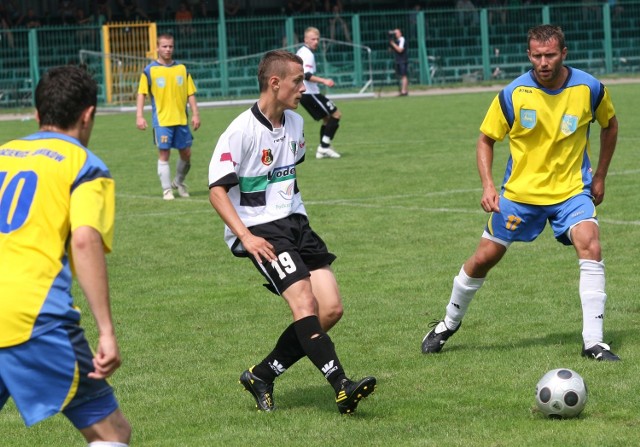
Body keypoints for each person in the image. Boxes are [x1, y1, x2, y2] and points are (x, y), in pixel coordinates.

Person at [421, 24, 620, 362]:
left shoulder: (589, 88)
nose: (544, 62)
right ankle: (447, 324)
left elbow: (610, 124)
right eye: (538, 55)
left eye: (551, 55)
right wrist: (487, 185)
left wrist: (599, 175)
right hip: (520, 195)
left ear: (564, 54)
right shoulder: (513, 94)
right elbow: (486, 139)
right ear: (529, 55)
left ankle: (594, 342)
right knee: (484, 258)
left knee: (591, 243)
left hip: (571, 192)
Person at [208, 50, 377, 414]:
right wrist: (247, 237)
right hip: (260, 230)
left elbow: (287, 177)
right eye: (298, 81)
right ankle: (342, 385)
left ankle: (262, 374)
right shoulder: (240, 131)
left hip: (296, 224)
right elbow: (217, 190)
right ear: (275, 83)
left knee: (330, 310)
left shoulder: (297, 125)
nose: (304, 88)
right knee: (304, 304)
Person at [0, 65, 131, 444]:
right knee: (112, 433)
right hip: (34, 320)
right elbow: (86, 240)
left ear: (38, 114)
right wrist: (106, 330)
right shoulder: (86, 167)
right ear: (88, 114)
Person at [136, 32, 201, 200]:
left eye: (170, 46)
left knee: (186, 153)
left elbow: (190, 93)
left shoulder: (182, 69)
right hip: (162, 121)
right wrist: (139, 116)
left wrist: (195, 114)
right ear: (157, 47)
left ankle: (178, 182)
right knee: (164, 154)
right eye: (164, 46)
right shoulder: (149, 71)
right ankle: (166, 190)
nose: (167, 49)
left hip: (181, 120)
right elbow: (142, 93)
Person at [296, 27, 343, 159]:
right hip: (309, 93)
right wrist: (325, 81)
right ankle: (323, 147)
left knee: (327, 119)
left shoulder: (302, 51)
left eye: (317, 39)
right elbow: (305, 74)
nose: (316, 41)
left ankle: (324, 148)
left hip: (307, 94)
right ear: (305, 39)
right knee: (336, 115)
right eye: (313, 39)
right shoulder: (307, 54)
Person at [389, 28, 409, 96]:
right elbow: (391, 50)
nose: (395, 35)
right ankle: (403, 90)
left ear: (400, 33)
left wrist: (393, 44)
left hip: (402, 60)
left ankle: (404, 91)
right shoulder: (396, 41)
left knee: (404, 75)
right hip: (398, 60)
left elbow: (400, 50)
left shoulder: (402, 40)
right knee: (401, 75)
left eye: (396, 33)